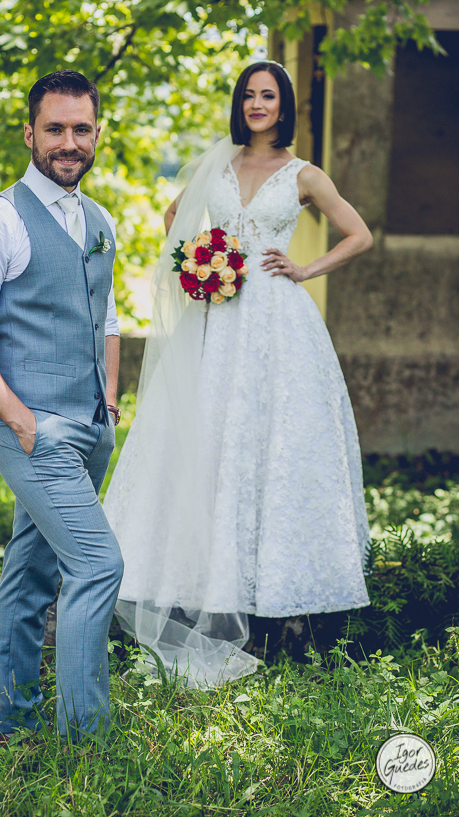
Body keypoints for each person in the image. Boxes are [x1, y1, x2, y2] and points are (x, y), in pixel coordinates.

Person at [103, 61, 373, 687]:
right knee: (210, 435)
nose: (257, 104)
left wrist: (306, 269)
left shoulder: (303, 174)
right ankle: (196, 577)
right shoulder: (216, 165)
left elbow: (358, 234)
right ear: (239, 103)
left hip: (278, 321)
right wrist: (203, 265)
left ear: (284, 107)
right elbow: (174, 219)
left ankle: (276, 591)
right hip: (218, 316)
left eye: (269, 95)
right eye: (249, 95)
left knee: (274, 440)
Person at [0, 70, 123, 740]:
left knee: (32, 567)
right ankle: (88, 740)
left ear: (97, 133)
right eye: (55, 129)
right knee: (97, 564)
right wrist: (21, 419)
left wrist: (108, 398)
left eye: (81, 128)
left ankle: (13, 722)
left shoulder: (99, 219)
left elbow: (104, 317)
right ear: (30, 133)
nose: (69, 142)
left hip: (90, 428)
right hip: (34, 431)